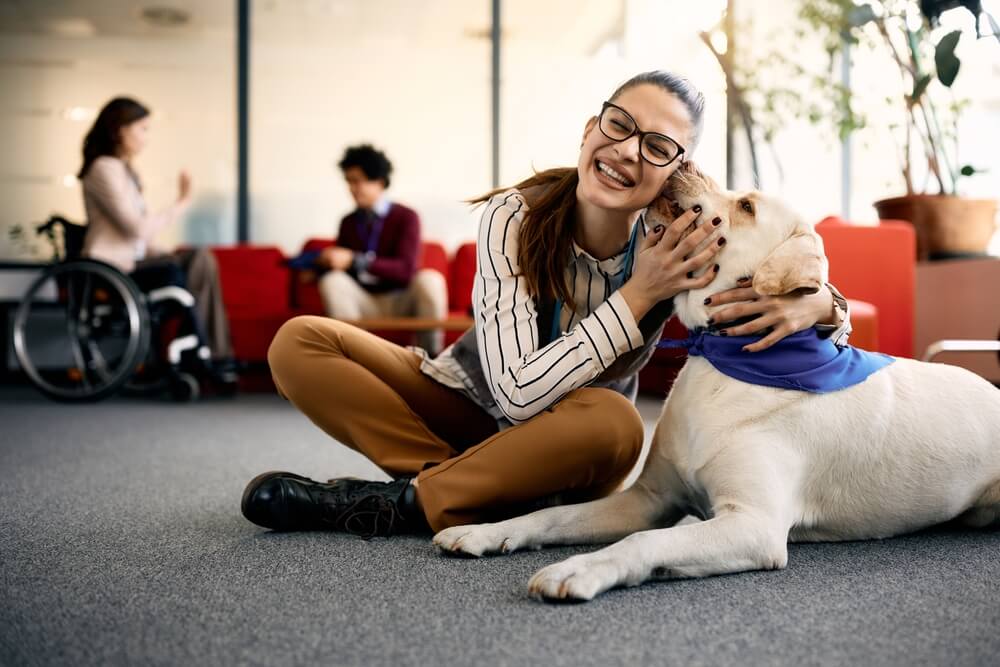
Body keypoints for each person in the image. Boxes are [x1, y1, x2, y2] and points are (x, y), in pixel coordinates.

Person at [241, 71, 851, 538]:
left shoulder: (683, 235)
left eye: (658, 145)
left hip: (573, 439)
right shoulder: (516, 214)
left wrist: (822, 304)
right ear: (590, 131)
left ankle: (411, 502)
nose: (628, 151)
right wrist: (641, 291)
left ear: (676, 170)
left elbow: (774, 262)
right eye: (618, 125)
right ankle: (460, 488)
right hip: (468, 400)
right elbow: (513, 395)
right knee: (300, 341)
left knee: (615, 425)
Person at [77, 96, 236, 375]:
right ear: (119, 130)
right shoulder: (103, 169)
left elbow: (138, 240)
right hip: (113, 270)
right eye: (142, 129)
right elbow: (135, 228)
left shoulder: (125, 172)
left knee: (200, 259)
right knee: (191, 263)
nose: (146, 138)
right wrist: (182, 202)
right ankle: (201, 351)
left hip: (133, 262)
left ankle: (207, 350)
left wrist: (161, 250)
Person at [316, 144, 447, 354]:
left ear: (379, 181)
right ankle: (353, 359)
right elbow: (344, 272)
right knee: (332, 281)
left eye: (358, 181)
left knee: (431, 280)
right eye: (349, 181)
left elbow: (406, 270)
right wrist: (322, 266)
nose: (352, 188)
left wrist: (356, 259)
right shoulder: (348, 222)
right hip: (364, 300)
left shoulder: (406, 217)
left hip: (401, 298)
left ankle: (432, 361)